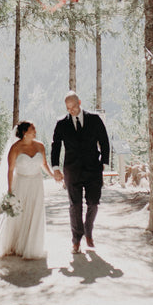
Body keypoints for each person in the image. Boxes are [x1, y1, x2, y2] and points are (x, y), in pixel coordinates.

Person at [0, 121, 62, 259]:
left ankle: (31, 246)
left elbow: (44, 164)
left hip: (36, 184)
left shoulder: (40, 146)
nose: (35, 130)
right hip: (21, 183)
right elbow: (10, 170)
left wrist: (53, 176)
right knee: (19, 215)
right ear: (24, 132)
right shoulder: (15, 148)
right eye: (32, 128)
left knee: (34, 212)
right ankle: (14, 244)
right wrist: (10, 190)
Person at [51, 91, 110, 254]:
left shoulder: (94, 119)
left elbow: (104, 141)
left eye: (74, 107)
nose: (71, 110)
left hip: (93, 169)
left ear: (80, 102)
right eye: (68, 108)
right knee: (74, 205)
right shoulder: (61, 123)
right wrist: (55, 168)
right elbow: (55, 146)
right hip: (72, 170)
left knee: (93, 202)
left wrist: (104, 162)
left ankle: (88, 231)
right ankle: (76, 239)